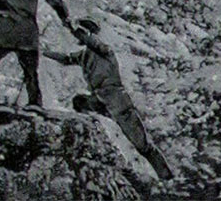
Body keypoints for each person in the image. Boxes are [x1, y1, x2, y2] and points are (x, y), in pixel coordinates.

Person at [43, 17, 174, 180]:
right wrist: (43, 51)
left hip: (118, 102)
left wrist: (73, 28)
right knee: (79, 101)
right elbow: (65, 59)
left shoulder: (105, 51)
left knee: (142, 145)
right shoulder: (83, 56)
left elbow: (91, 41)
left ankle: (166, 176)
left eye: (83, 33)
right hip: (100, 101)